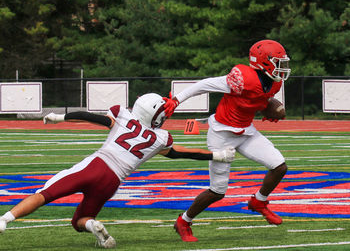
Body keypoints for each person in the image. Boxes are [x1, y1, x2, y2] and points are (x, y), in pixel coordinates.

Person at [0, 93, 235, 248]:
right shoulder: (160, 138)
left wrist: (59, 117)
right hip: (112, 181)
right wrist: (218, 155)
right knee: (80, 220)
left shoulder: (123, 115)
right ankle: (93, 226)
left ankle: (4, 220)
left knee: (45, 194)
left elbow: (90, 117)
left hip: (95, 166)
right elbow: (181, 153)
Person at [163, 39, 291, 242]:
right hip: (222, 134)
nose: (282, 67)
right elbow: (205, 85)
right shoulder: (242, 78)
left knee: (279, 166)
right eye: (278, 62)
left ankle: (259, 202)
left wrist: (272, 108)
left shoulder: (275, 81)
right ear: (263, 62)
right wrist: (177, 99)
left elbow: (260, 98)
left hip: (246, 132)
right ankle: (184, 221)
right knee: (217, 191)